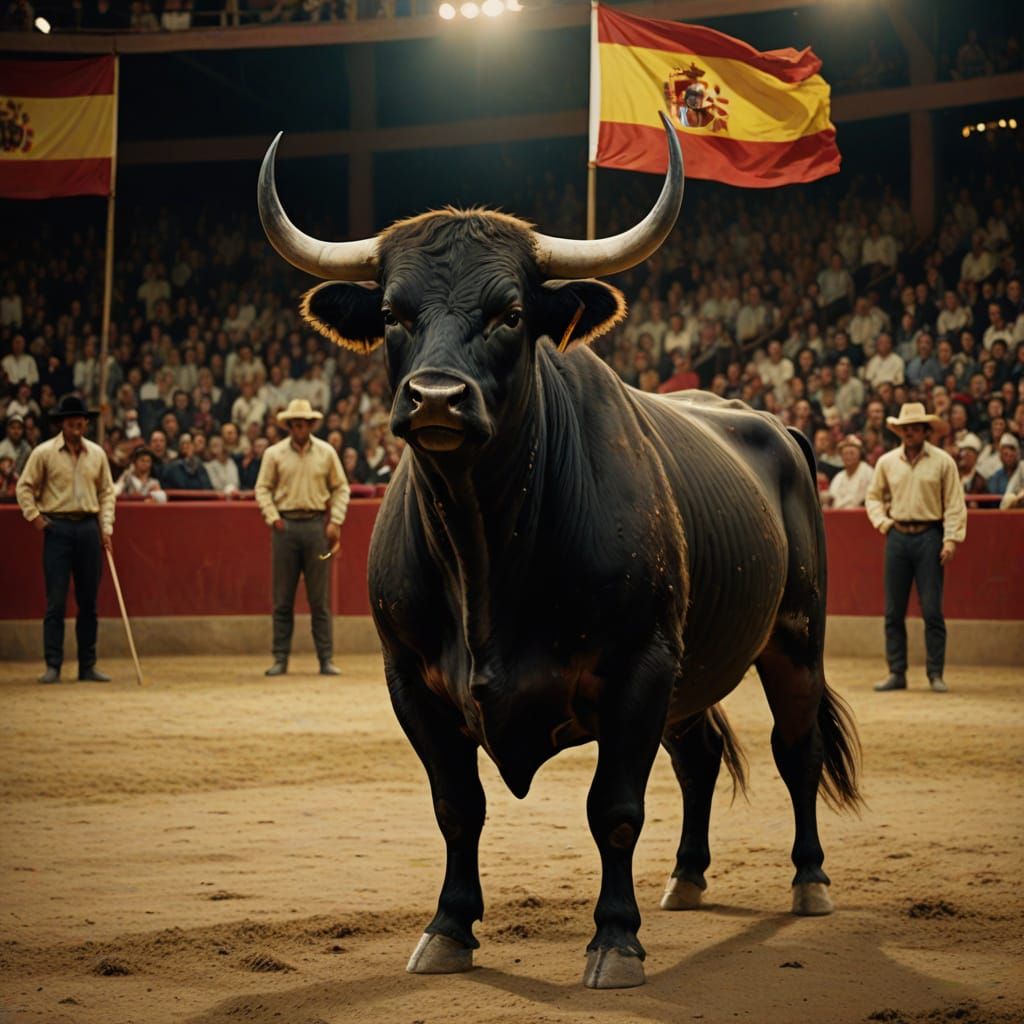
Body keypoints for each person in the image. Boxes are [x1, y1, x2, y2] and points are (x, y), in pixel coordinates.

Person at [865, 403, 967, 694]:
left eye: (915, 428)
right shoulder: (887, 462)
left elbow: (954, 503)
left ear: (925, 431)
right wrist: (883, 523)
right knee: (893, 611)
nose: (910, 432)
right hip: (897, 535)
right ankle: (897, 672)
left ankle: (935, 673)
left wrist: (950, 539)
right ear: (900, 431)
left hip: (929, 535)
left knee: (932, 610)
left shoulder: (943, 462)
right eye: (906, 428)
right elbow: (872, 497)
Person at [15, 394, 115, 685]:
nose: (76, 429)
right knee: (55, 601)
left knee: (89, 601)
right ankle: (53, 665)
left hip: (87, 527)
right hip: (56, 527)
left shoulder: (97, 454)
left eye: (80, 424)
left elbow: (107, 492)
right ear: (61, 424)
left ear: (85, 422)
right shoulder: (44, 453)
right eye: (71, 424)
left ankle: (87, 665)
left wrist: (106, 526)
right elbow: (24, 487)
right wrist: (34, 518)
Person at [254, 399, 350, 677]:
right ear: (289, 426)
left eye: (303, 423)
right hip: (285, 527)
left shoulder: (326, 452)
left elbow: (341, 488)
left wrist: (335, 519)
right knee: (283, 598)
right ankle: (280, 658)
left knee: (319, 600)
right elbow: (262, 488)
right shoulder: (274, 454)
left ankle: (326, 658)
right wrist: (272, 516)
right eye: (295, 424)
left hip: (316, 526)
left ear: (310, 424)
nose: (299, 428)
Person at [822, 435, 874, 508]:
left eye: (852, 453)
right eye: (845, 454)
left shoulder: (868, 472)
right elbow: (831, 497)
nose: (848, 457)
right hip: (838, 514)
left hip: (859, 513)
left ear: (859, 455)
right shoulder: (839, 476)